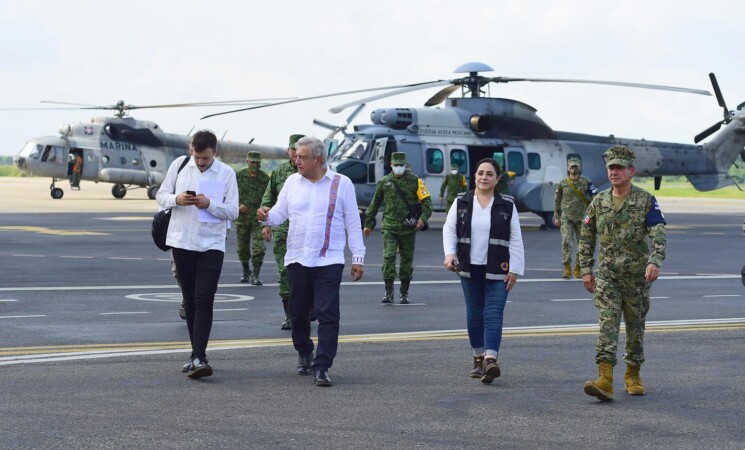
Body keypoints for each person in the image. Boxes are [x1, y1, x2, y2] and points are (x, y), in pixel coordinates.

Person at [257, 136, 365, 387]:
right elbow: (278, 214)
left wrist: (357, 258)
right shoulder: (292, 183)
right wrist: (265, 216)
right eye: (295, 156)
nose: (296, 161)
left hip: (329, 258)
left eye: (301, 157)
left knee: (328, 314)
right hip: (298, 258)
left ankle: (323, 365)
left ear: (318, 159)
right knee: (298, 312)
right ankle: (304, 350)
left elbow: (353, 223)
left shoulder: (342, 184)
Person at [579, 146, 666, 401]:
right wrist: (586, 269)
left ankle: (633, 374)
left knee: (635, 329)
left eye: (619, 168)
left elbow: (658, 231)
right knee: (607, 324)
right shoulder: (599, 201)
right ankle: (604, 379)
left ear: (631, 171)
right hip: (607, 276)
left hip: (637, 278)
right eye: (611, 168)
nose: (614, 172)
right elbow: (586, 235)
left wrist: (655, 260)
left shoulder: (645, 200)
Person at [156, 130, 239, 379]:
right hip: (182, 241)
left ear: (215, 152)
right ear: (191, 149)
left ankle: (200, 355)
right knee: (190, 299)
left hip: (211, 244)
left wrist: (210, 205)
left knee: (204, 297)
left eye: (205, 158)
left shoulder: (226, 173)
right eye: (197, 157)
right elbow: (161, 196)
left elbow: (233, 211)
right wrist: (176, 199)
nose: (200, 162)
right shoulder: (179, 166)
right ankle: (195, 354)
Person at [443, 158, 524, 384]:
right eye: (480, 173)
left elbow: (515, 237)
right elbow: (449, 230)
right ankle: (478, 358)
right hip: (469, 267)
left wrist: (515, 269)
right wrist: (450, 254)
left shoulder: (507, 204)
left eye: (489, 174)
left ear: (497, 179)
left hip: (498, 267)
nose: (484, 177)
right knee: (474, 314)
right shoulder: (461, 201)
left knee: (493, 313)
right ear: (475, 177)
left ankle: (490, 359)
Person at [364, 152, 432, 304]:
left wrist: (423, 218)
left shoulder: (415, 181)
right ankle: (388, 292)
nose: (399, 168)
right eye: (396, 165)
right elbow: (374, 204)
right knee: (389, 258)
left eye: (402, 165)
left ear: (405, 165)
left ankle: (404, 293)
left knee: (407, 261)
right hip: (389, 227)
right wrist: (368, 224)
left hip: (408, 228)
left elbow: (427, 202)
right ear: (391, 165)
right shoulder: (384, 182)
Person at [261, 134, 305, 330]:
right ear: (288, 150)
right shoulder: (280, 172)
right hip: (282, 231)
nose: (295, 154)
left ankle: (308, 308)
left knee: (307, 273)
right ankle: (290, 315)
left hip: (305, 233)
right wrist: (266, 223)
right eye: (292, 149)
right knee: (284, 273)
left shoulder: (313, 171)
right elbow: (268, 198)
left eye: (299, 149)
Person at [553, 157, 598, 278]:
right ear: (568, 168)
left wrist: (592, 211)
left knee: (581, 244)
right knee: (566, 241)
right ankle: (567, 268)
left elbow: (595, 196)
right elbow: (557, 201)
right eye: (572, 167)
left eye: (576, 167)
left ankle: (578, 267)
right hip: (566, 218)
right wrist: (556, 216)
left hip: (582, 219)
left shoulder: (586, 181)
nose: (574, 169)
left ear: (580, 168)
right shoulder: (562, 183)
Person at [236, 151, 270, 285]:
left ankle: (255, 275)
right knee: (242, 248)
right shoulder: (239, 176)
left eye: (257, 162)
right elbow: (228, 194)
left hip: (258, 219)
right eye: (252, 162)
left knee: (259, 248)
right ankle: (246, 270)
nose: (255, 165)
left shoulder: (264, 178)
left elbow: (270, 198)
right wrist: (238, 205)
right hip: (242, 219)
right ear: (247, 162)